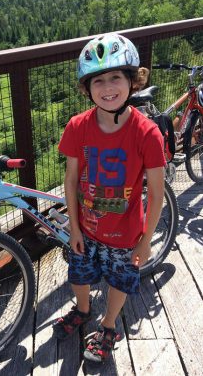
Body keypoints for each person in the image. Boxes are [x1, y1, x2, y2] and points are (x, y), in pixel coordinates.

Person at [53, 33, 166, 363]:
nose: (107, 87)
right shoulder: (77, 126)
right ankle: (83, 310)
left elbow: (157, 193)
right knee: (79, 274)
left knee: (119, 280)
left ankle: (108, 324)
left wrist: (145, 241)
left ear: (132, 80)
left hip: (126, 233)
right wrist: (73, 228)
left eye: (116, 76)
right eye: (98, 80)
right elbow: (71, 179)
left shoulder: (147, 132)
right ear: (87, 88)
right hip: (86, 229)